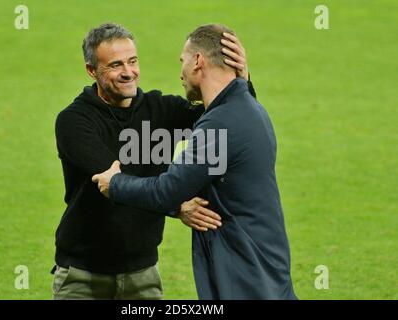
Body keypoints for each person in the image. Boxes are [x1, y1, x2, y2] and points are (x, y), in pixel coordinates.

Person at [93, 24, 297, 300]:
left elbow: (169, 190)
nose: (181, 73)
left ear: (198, 61)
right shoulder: (248, 109)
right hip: (263, 268)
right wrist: (244, 80)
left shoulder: (220, 124)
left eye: (183, 61)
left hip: (244, 276)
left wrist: (115, 184)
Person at [53, 22, 252, 299]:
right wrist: (176, 204)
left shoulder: (162, 110)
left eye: (132, 61)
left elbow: (230, 121)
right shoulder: (74, 121)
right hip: (82, 277)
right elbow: (115, 181)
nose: (128, 72)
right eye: (115, 65)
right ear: (91, 71)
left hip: (143, 274)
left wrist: (240, 81)